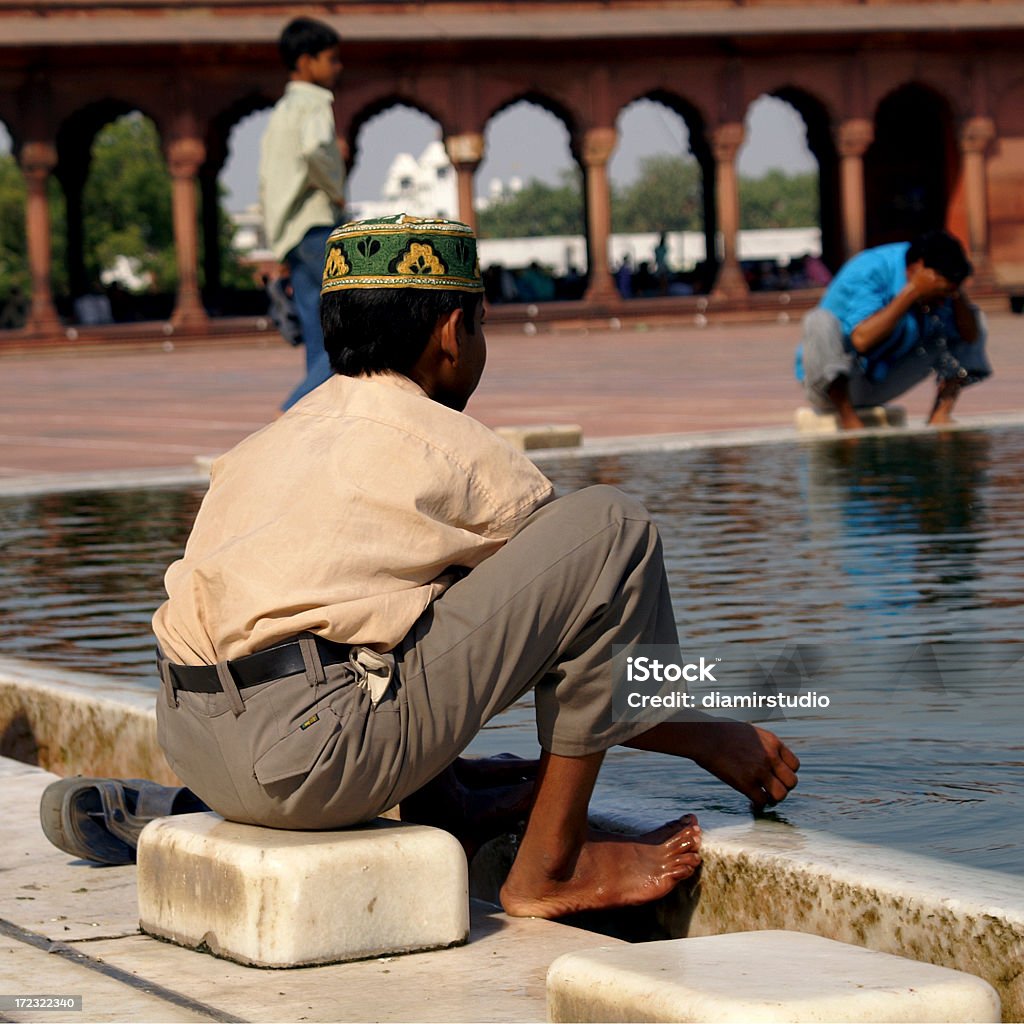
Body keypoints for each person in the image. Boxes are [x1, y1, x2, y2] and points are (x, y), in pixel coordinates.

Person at [152, 214, 799, 920]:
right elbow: (596, 618)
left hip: (195, 745)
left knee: (421, 577)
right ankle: (554, 866)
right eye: (482, 325)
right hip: (313, 766)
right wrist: (716, 736)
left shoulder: (268, 442)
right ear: (451, 332)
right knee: (612, 529)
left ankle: (445, 795)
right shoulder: (451, 449)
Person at [795, 230, 991, 429]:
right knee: (818, 320)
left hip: (883, 380)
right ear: (918, 268)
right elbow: (862, 341)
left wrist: (955, 294)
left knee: (975, 318)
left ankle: (940, 415)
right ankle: (849, 420)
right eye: (941, 293)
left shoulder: (941, 281)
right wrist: (912, 291)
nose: (942, 301)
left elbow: (970, 336)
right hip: (831, 384)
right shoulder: (869, 269)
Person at [259, 16, 346, 412]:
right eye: (331, 59)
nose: (337, 67)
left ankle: (310, 429)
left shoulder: (280, 112)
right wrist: (337, 190)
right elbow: (315, 150)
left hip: (290, 232)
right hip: (314, 224)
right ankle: (289, 415)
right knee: (346, 337)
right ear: (306, 61)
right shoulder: (315, 102)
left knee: (318, 340)